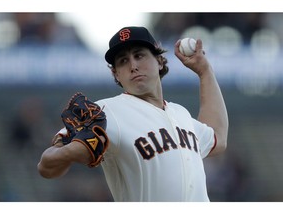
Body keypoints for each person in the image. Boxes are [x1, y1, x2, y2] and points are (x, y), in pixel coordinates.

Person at [37, 26, 229, 202]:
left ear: (160, 61)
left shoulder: (181, 114)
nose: (133, 66)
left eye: (139, 55)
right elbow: (46, 166)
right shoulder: (107, 112)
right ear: (116, 74)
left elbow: (218, 139)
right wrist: (70, 151)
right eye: (123, 61)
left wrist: (205, 72)